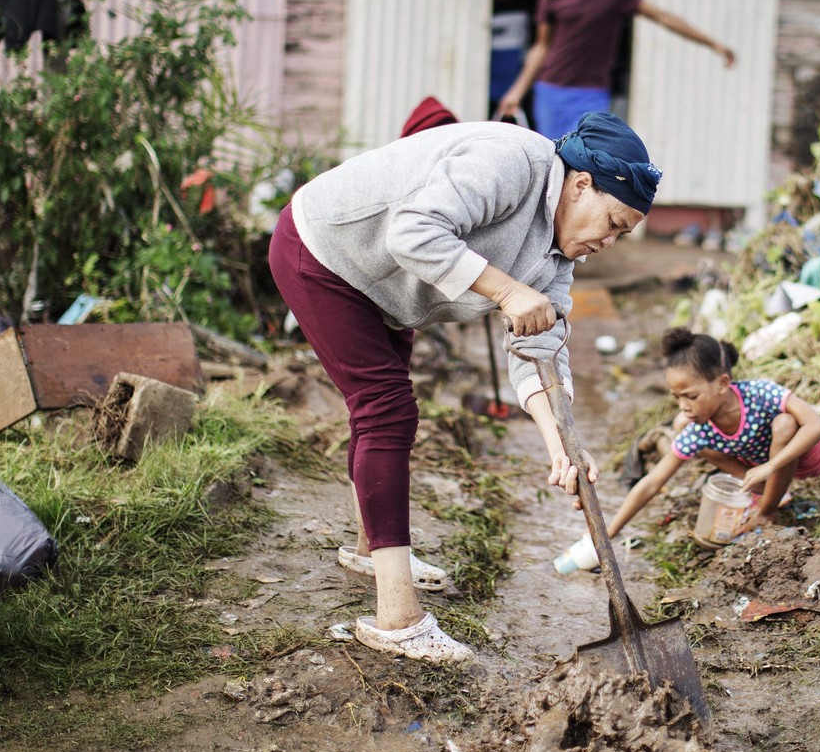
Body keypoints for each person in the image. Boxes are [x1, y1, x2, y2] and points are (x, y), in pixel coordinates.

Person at [269, 111, 661, 664]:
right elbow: (413, 230)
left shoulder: (558, 253)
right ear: (580, 185)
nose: (612, 241)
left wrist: (561, 447)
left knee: (381, 412)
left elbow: (541, 347)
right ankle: (398, 620)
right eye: (614, 223)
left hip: (385, 284)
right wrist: (506, 292)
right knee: (387, 411)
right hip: (326, 251)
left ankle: (370, 550)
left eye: (623, 233)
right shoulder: (511, 162)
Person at [494, 0, 737, 140]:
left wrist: (713, 44)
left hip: (592, 94)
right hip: (551, 91)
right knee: (551, 158)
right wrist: (516, 92)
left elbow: (663, 17)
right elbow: (541, 47)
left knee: (583, 160)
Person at [599, 328, 820, 545]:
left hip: (812, 455)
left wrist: (771, 466)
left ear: (722, 384)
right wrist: (608, 532)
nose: (684, 406)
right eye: (677, 397)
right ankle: (770, 492)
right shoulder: (699, 430)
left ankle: (766, 512)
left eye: (691, 397)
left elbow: (816, 426)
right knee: (695, 442)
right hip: (767, 468)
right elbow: (651, 483)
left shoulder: (760, 393)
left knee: (784, 423)